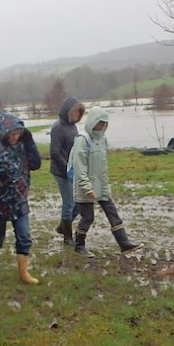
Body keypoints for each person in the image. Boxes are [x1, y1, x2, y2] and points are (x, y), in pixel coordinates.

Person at [69, 106, 143, 258]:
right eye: (100, 123)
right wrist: (86, 187)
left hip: (101, 186)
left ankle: (124, 244)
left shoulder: (102, 139)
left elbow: (103, 166)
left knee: (112, 213)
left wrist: (105, 186)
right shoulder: (83, 140)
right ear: (93, 122)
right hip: (86, 187)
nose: (103, 126)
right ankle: (79, 246)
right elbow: (79, 166)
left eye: (105, 123)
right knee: (88, 217)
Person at [0, 112, 42, 284]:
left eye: (18, 133)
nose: (15, 137)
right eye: (12, 134)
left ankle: (23, 273)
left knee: (24, 236)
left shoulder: (22, 146)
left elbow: (36, 164)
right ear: (4, 132)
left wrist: (29, 141)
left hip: (20, 200)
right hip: (0, 203)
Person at [49, 96, 85, 245]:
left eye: (79, 113)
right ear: (68, 111)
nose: (77, 116)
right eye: (75, 112)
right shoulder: (58, 127)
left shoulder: (73, 127)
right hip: (61, 171)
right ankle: (67, 237)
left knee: (79, 202)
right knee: (69, 203)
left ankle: (62, 227)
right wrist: (67, 169)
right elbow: (55, 153)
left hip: (72, 169)